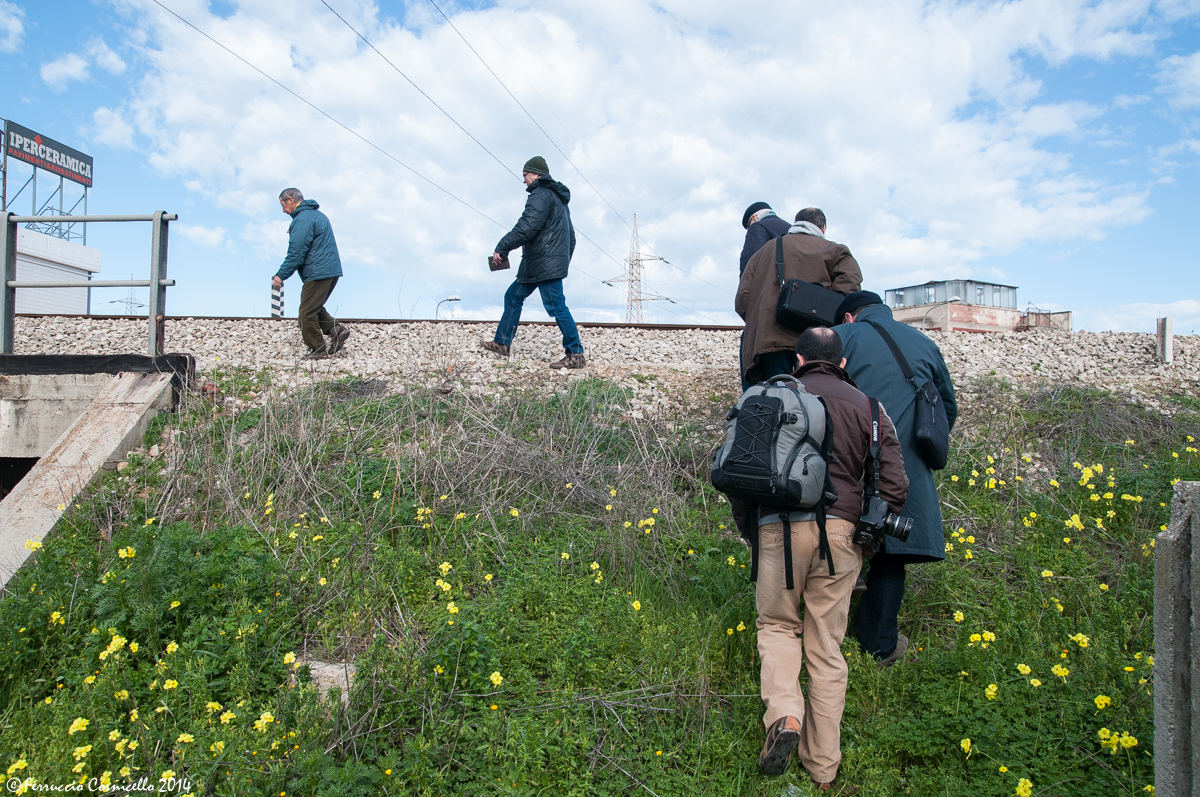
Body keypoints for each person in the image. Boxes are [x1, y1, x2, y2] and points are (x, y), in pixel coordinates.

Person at [730, 327, 907, 787]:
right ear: (843, 363)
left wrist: (753, 531)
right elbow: (894, 483)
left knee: (777, 626)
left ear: (799, 360)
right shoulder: (869, 408)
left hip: (779, 529)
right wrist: (868, 537)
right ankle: (823, 767)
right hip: (844, 533)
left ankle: (786, 716)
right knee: (827, 650)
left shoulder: (774, 396)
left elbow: (742, 471)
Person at [834, 291, 958, 667]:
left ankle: (826, 643)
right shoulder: (923, 342)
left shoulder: (842, 336)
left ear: (851, 317)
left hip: (849, 463)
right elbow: (947, 408)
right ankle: (879, 647)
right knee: (890, 557)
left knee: (838, 546)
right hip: (905, 466)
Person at [735, 208, 862, 389]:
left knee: (774, 405)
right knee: (813, 405)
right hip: (817, 346)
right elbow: (849, 293)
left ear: (796, 223)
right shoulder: (836, 251)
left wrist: (764, 323)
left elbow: (742, 299)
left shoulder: (762, 253)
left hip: (771, 345)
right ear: (823, 228)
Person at [481, 156, 586, 369]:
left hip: (544, 264)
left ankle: (576, 353)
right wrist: (561, 261)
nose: (524, 180)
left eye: (525, 175)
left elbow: (527, 227)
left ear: (536, 174)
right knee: (513, 295)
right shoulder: (558, 200)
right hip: (539, 264)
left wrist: (502, 247)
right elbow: (571, 237)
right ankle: (502, 342)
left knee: (557, 306)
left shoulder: (541, 195)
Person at [273, 188, 348, 360]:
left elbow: (296, 252)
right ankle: (335, 330)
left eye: (283, 205)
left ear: (290, 200)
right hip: (330, 270)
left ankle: (318, 350)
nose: (283, 210)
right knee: (313, 306)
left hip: (318, 272)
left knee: (306, 313)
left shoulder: (303, 219)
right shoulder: (317, 215)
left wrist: (281, 275)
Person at [740, 202, 792, 276]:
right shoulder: (790, 227)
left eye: (748, 226)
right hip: (795, 283)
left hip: (772, 284)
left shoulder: (757, 226)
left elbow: (750, 263)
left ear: (754, 217)